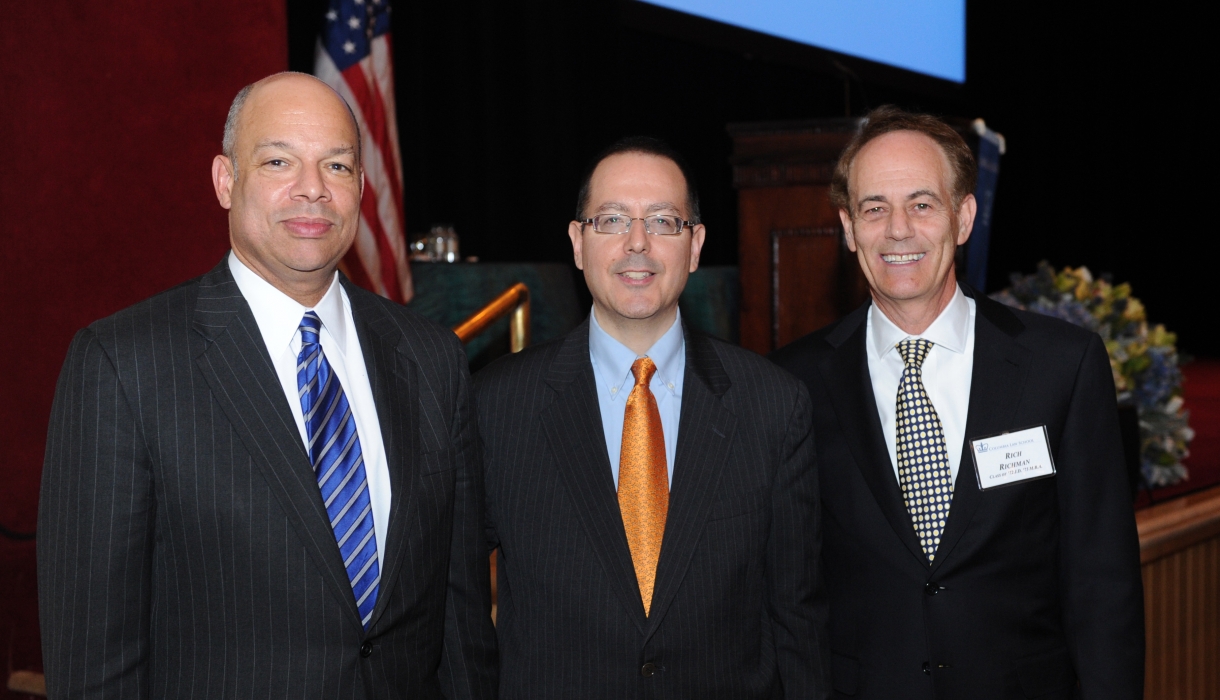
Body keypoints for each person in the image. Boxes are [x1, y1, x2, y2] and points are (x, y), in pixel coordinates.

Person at [38, 72, 497, 699]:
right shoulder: (123, 365)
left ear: (362, 188)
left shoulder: (432, 359)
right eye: (279, 160)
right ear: (226, 181)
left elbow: (462, 618)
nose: (312, 189)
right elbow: (94, 663)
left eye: (336, 165)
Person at [771, 106, 1144, 699]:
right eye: (874, 208)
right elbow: (788, 595)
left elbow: (1102, 582)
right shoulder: (791, 383)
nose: (898, 229)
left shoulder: (1061, 366)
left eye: (922, 204)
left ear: (964, 216)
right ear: (847, 228)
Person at [475, 137, 829, 699]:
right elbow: (458, 610)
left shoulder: (773, 406)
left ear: (695, 246)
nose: (637, 243)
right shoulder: (498, 405)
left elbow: (798, 620)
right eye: (612, 219)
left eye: (664, 222)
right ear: (577, 243)